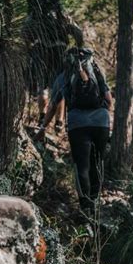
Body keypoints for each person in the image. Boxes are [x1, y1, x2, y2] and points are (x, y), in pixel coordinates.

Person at [35, 47, 112, 215]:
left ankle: (85, 207)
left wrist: (43, 128)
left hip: (78, 125)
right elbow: (109, 101)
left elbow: (53, 105)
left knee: (81, 165)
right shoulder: (98, 73)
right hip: (101, 124)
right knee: (97, 163)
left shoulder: (63, 77)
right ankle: (95, 201)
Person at [23, 0, 84, 130]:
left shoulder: (35, 16)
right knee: (59, 88)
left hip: (41, 53)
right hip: (60, 54)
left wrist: (30, 47)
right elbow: (78, 33)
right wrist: (78, 47)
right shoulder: (63, 17)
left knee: (42, 88)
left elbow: (25, 32)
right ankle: (59, 121)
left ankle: (42, 116)